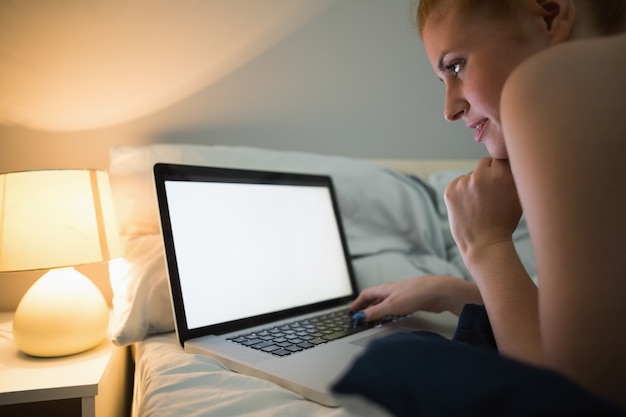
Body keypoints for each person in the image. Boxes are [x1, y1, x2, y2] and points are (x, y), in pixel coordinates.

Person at [347, 0, 626, 410]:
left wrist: (486, 244)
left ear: (549, 15)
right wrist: (447, 291)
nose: (449, 110)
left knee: (397, 361)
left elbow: (572, 393)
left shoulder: (553, 85)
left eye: (456, 66)